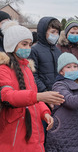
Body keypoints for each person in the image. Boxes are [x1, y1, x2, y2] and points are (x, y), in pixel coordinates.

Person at [0, 20, 64, 152]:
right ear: (12, 44)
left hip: (34, 131)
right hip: (14, 134)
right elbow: (7, 96)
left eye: (30, 44)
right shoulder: (3, 69)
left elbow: (34, 99)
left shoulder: (27, 68)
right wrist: (40, 96)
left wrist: (44, 113)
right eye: (24, 44)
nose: (28, 48)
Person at [29, 17, 62, 93]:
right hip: (42, 94)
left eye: (57, 32)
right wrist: (44, 91)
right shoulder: (34, 50)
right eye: (53, 32)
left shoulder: (58, 51)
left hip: (57, 93)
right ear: (44, 32)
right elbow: (33, 75)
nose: (55, 35)